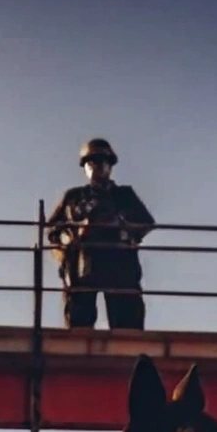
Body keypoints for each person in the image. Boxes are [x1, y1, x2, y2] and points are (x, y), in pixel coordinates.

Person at [46, 138, 156, 330]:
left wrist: (121, 226)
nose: (97, 167)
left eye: (102, 162)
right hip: (83, 265)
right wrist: (72, 237)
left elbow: (146, 223)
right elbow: (53, 231)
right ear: (85, 167)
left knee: (126, 325)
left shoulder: (124, 195)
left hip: (118, 263)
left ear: (110, 166)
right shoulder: (73, 197)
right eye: (91, 162)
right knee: (79, 324)